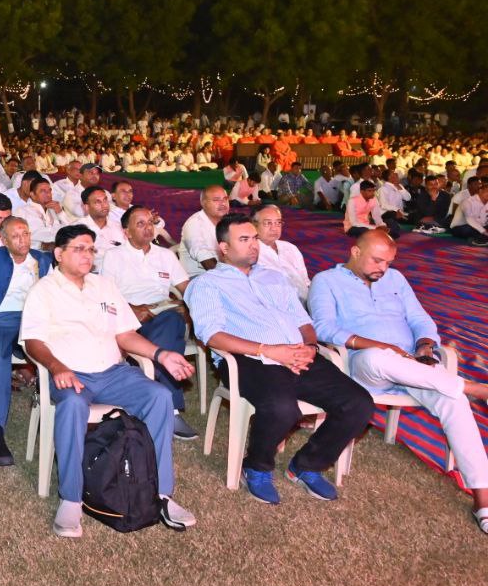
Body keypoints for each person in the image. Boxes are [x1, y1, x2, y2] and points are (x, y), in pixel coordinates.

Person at [183, 213, 373, 504]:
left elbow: (303, 321)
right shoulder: (207, 284)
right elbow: (212, 336)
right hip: (249, 359)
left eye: (254, 238)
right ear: (224, 247)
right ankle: (256, 467)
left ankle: (307, 465)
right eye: (244, 239)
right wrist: (269, 351)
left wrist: (310, 347)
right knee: (282, 408)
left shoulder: (274, 278)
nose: (253, 245)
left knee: (359, 403)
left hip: (298, 353)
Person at [21, 224, 197, 537]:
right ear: (59, 254)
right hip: (72, 373)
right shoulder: (43, 291)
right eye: (79, 248)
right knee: (73, 405)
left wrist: (161, 355)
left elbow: (125, 335)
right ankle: (71, 498)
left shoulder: (104, 286)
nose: (87, 255)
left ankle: (162, 493)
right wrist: (56, 366)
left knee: (159, 396)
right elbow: (33, 342)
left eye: (91, 249)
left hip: (113, 372)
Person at [309, 229, 488, 533]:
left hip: (413, 366)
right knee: (378, 358)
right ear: (355, 252)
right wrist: (379, 346)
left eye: (389, 262)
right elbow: (323, 328)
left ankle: (483, 500)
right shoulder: (326, 281)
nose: (384, 268)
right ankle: (472, 387)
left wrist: (425, 346)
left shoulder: (395, 279)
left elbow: (420, 318)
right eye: (377, 260)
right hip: (365, 367)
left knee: (454, 401)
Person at [99, 206, 197, 439]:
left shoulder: (165, 255)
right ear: (126, 232)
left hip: (161, 314)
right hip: (129, 319)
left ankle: (150, 389)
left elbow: (187, 289)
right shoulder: (113, 256)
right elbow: (105, 296)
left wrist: (190, 306)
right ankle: (169, 409)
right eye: (140, 223)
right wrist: (131, 310)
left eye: (150, 223)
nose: (148, 228)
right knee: (169, 334)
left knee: (172, 320)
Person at [0, 217, 53, 465]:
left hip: (34, 319)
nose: (23, 240)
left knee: (60, 350)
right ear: (3, 240)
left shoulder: (43, 260)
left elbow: (53, 295)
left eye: (26, 234)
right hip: (1, 317)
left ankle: (57, 411)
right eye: (15, 236)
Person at [253, 204, 310, 301]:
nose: (274, 228)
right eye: (268, 223)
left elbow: (306, 282)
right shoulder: (251, 253)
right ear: (254, 225)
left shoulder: (290, 248)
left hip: (306, 302)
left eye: (278, 223)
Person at [179, 185, 229, 277]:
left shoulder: (229, 222)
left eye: (225, 199)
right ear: (203, 203)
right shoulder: (194, 224)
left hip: (223, 271)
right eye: (216, 200)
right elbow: (205, 259)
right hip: (198, 277)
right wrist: (228, 278)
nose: (223, 203)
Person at [448, 180, 488, 246]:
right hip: (461, 227)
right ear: (480, 191)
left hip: (480, 226)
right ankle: (478, 239)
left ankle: (479, 239)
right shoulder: (468, 202)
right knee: (468, 229)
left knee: (479, 229)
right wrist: (484, 231)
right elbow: (470, 220)